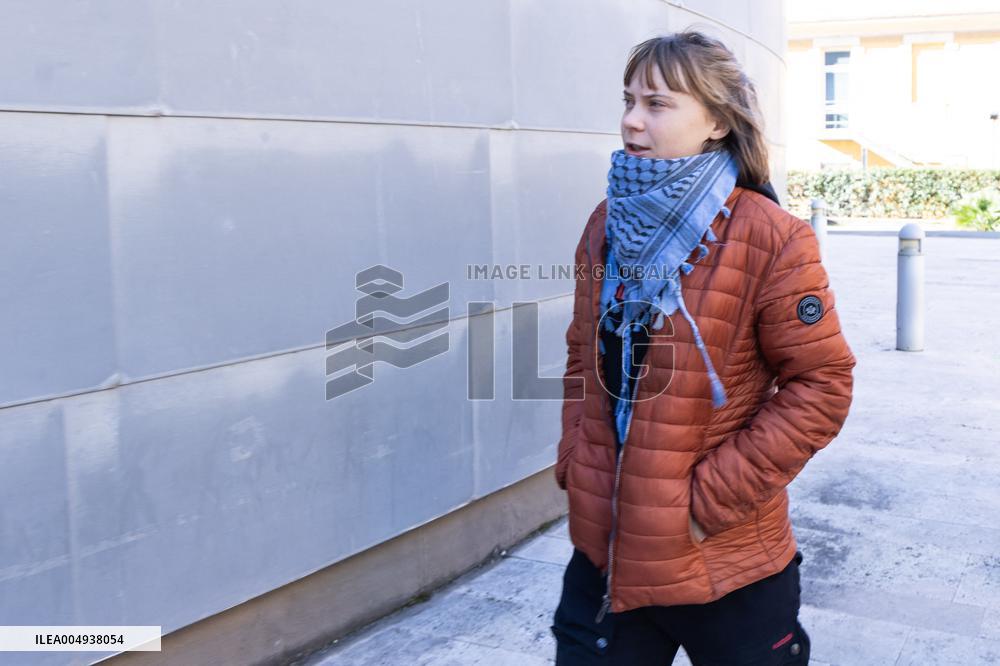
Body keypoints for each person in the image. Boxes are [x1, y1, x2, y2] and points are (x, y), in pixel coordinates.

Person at [550, 30, 857, 664]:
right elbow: (585, 354)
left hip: (725, 563)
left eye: (657, 104)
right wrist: (575, 458)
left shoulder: (771, 236)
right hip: (606, 549)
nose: (632, 121)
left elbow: (822, 385)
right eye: (629, 100)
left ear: (717, 121)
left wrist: (699, 507)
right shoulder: (606, 224)